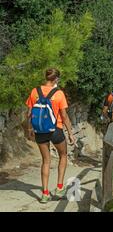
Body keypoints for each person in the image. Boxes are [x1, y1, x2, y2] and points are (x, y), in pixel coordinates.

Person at [25, 68, 76, 204]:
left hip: (40, 131)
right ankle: (59, 188)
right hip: (55, 130)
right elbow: (64, 116)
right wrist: (70, 133)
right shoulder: (59, 94)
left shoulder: (35, 91)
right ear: (56, 79)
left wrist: (30, 128)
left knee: (46, 161)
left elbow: (29, 112)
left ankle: (45, 193)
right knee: (63, 155)